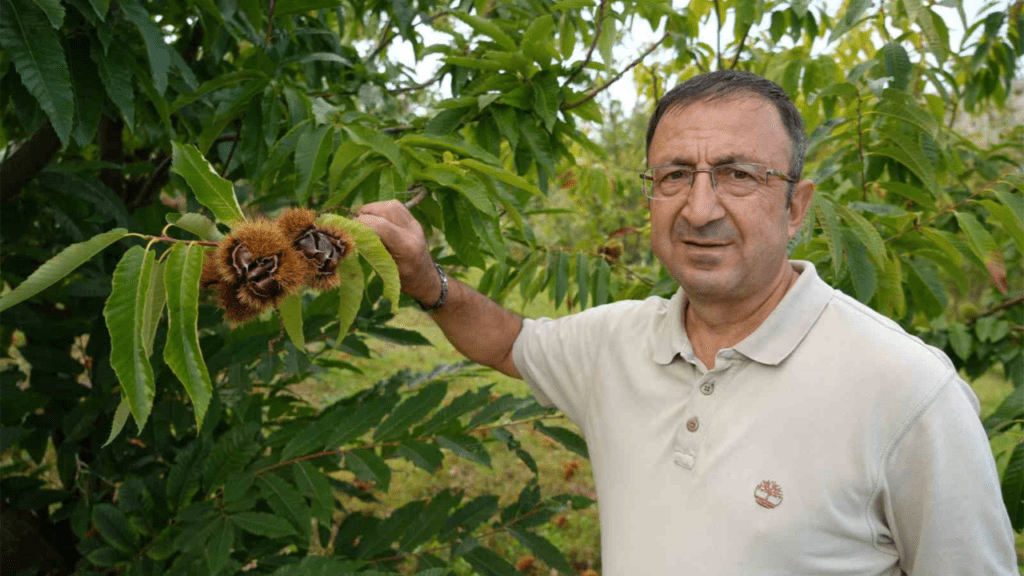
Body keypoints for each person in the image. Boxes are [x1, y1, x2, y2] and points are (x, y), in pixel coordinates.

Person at [356, 70, 1018, 575]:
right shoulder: (614, 343)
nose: (700, 208)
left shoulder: (906, 391)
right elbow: (511, 341)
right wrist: (426, 281)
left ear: (796, 207)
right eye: (676, 174)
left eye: (737, 174)